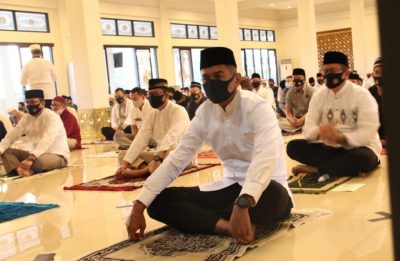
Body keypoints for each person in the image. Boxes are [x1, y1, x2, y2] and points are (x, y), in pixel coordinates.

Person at [125, 47, 293, 245]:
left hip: (266, 190)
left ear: (236, 79)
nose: (211, 82)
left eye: (218, 75)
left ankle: (218, 217)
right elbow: (178, 157)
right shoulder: (205, 113)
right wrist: (139, 204)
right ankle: (227, 226)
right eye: (206, 78)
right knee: (157, 201)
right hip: (230, 187)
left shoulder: (257, 107)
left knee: (275, 196)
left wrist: (243, 202)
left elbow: (266, 157)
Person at [286, 51, 381, 180]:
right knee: (293, 147)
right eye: (326, 71)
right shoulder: (318, 96)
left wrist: (341, 138)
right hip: (329, 148)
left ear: (346, 73)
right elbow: (308, 130)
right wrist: (320, 133)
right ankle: (340, 167)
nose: (328, 75)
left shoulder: (362, 95)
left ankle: (317, 169)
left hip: (359, 148)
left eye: (333, 70)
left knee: (363, 158)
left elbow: (368, 132)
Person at [114, 78, 190, 179]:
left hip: (180, 154)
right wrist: (125, 164)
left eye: (156, 94)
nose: (152, 97)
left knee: (171, 155)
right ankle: (149, 169)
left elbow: (171, 137)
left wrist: (158, 158)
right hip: (158, 154)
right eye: (150, 94)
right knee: (123, 155)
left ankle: (141, 172)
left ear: (167, 95)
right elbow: (141, 138)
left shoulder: (179, 110)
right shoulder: (153, 113)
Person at [0, 90, 69, 177]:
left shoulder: (52, 117)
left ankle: (23, 169)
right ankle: (17, 172)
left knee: (38, 163)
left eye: (33, 102)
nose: (30, 105)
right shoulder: (27, 117)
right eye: (27, 102)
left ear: (42, 103)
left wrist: (31, 158)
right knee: (6, 151)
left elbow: (47, 139)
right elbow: (11, 136)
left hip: (57, 155)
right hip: (36, 154)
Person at [20, 44, 58, 109]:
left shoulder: (27, 65)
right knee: (49, 115)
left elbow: (22, 82)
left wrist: (31, 82)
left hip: (34, 96)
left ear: (31, 53)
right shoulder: (48, 63)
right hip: (48, 94)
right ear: (40, 52)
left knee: (37, 116)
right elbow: (55, 78)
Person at [279, 68, 314, 133]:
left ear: (305, 79)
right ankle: (298, 128)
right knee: (278, 124)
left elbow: (314, 110)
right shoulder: (290, 93)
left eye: (298, 78)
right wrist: (291, 119)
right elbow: (288, 111)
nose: (296, 81)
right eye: (294, 79)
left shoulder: (311, 91)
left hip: (309, 119)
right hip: (296, 121)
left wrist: (303, 119)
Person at [369, 57, 385, 148]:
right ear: (373, 74)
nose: (379, 76)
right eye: (377, 72)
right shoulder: (369, 92)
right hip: (375, 141)